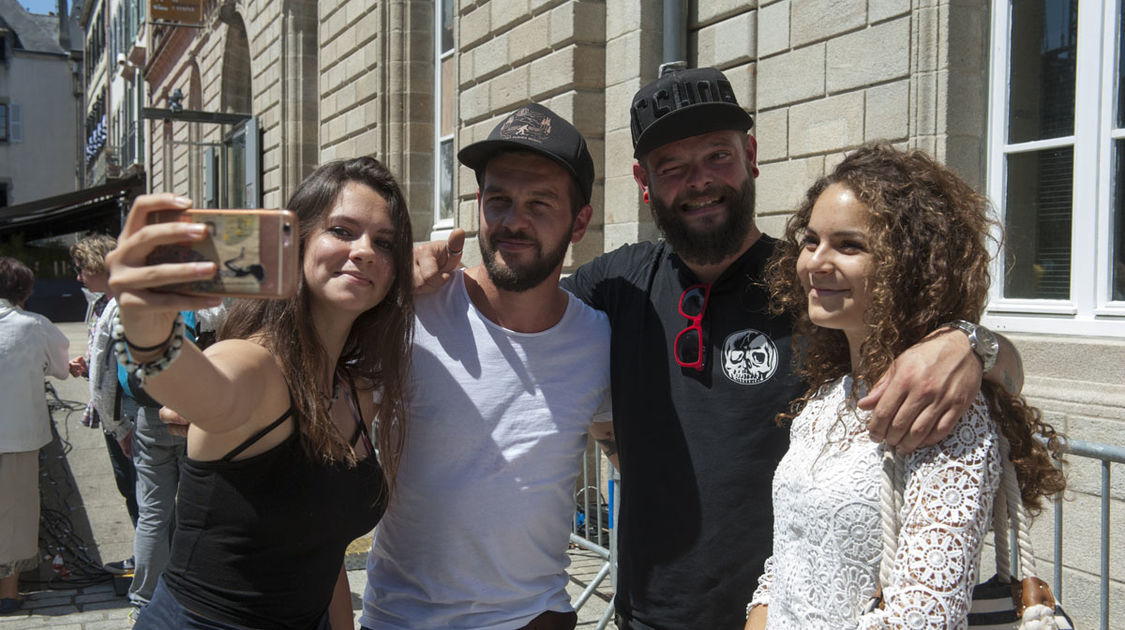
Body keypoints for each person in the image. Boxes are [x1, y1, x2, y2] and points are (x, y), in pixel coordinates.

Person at [555, 67, 1028, 629]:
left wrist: (969, 343)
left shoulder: (812, 288)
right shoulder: (617, 285)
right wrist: (427, 283)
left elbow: (1003, 373)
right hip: (651, 614)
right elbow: (515, 317)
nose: (699, 181)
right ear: (644, 181)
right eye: (672, 168)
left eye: (717, 156)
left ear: (750, 155)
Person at [744, 143, 1065, 628]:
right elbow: (789, 556)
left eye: (849, 245)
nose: (816, 262)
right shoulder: (827, 399)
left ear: (912, 266)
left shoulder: (946, 413)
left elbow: (922, 618)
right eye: (811, 241)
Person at [106, 156, 414, 630]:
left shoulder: (357, 392)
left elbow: (324, 545)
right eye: (343, 231)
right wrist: (148, 327)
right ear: (300, 242)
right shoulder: (257, 364)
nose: (365, 250)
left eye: (384, 242)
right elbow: (205, 389)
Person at [361, 103, 612, 630]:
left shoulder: (598, 339)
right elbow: (315, 383)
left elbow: (618, 440)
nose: (513, 220)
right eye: (499, 199)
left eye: (540, 203)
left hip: (535, 618)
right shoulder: (413, 309)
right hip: (404, 619)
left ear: (580, 222)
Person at [0, 257, 70, 614]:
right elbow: (60, 368)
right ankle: (8, 593)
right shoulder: (33, 324)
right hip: (17, 435)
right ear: (23, 291)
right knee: (14, 513)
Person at [69, 234, 138, 575]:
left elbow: (125, 369)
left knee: (141, 493)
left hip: (125, 417)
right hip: (114, 416)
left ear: (99, 264)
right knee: (130, 488)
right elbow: (107, 365)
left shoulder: (122, 303)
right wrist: (89, 368)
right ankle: (146, 557)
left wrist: (121, 426)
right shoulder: (102, 304)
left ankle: (147, 563)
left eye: (82, 269)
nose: (79, 278)